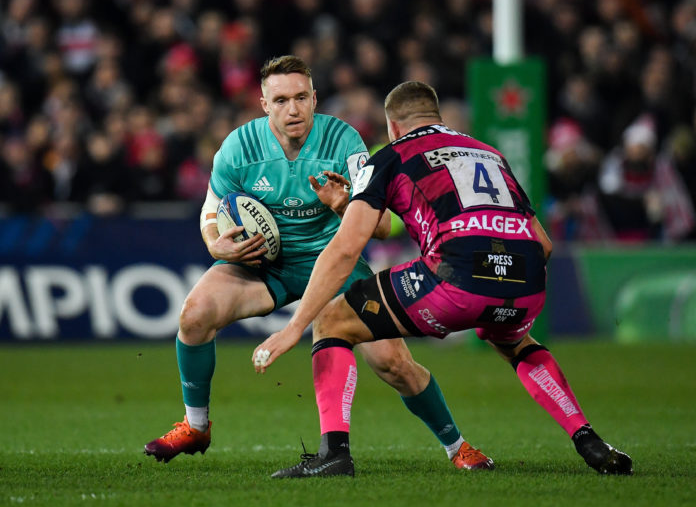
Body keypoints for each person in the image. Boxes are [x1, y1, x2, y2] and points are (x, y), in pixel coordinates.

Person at [255, 81, 633, 476]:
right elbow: (544, 244)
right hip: (525, 279)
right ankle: (587, 437)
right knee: (515, 341)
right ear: (436, 117)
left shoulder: (391, 155)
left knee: (332, 320)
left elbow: (346, 249)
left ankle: (334, 454)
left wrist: (293, 327)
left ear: (394, 127)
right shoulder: (489, 154)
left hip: (455, 278)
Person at [144, 57, 494, 476]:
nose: (292, 109)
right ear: (263, 104)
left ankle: (458, 446)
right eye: (280, 100)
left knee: (391, 363)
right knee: (194, 314)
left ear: (314, 99)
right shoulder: (238, 148)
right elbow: (210, 211)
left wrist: (344, 203)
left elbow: (381, 226)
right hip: (264, 263)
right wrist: (217, 246)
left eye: (299, 98)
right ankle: (196, 426)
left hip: (334, 267)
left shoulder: (344, 142)